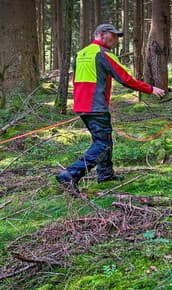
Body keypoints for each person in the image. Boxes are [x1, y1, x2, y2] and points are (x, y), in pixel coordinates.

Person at [57, 23, 165, 191]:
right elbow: (125, 79)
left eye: (117, 37)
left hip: (82, 106)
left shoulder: (81, 54)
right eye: (113, 36)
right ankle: (71, 174)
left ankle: (106, 175)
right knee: (102, 144)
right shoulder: (103, 54)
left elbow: (75, 81)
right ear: (101, 35)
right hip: (96, 107)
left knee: (103, 140)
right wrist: (150, 88)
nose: (116, 40)